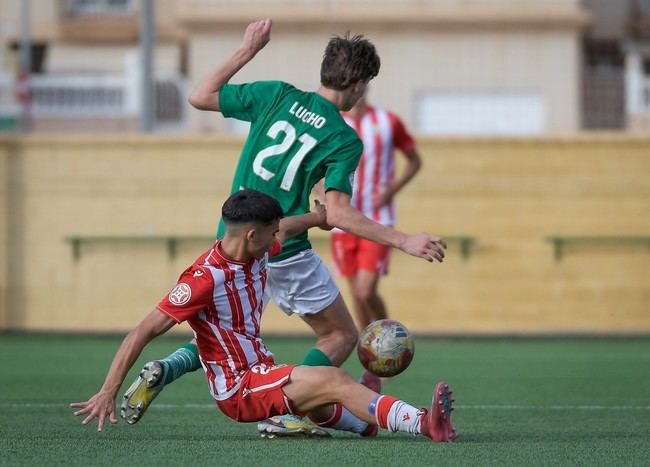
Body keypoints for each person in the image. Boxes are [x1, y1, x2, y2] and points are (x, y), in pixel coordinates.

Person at [120, 19, 448, 437]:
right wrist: (404, 239)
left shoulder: (275, 94)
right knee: (339, 335)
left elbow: (200, 96)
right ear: (359, 84)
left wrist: (248, 50)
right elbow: (338, 214)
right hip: (284, 249)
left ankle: (169, 367)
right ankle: (291, 409)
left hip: (235, 245)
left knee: (232, 334)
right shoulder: (343, 138)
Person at [70, 189, 457, 443]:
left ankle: (365, 422)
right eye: (271, 235)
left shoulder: (257, 247)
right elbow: (142, 330)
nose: (278, 241)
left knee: (321, 400)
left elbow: (287, 227)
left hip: (260, 368)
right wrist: (108, 390)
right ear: (252, 236)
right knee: (333, 379)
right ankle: (425, 423)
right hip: (238, 389)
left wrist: (319, 218)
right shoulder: (203, 280)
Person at [331, 93, 422, 329]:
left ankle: (390, 336)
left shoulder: (387, 121)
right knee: (356, 294)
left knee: (366, 290)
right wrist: (322, 191)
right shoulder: (332, 119)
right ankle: (369, 346)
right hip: (342, 219)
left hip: (378, 218)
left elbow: (414, 160)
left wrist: (391, 190)